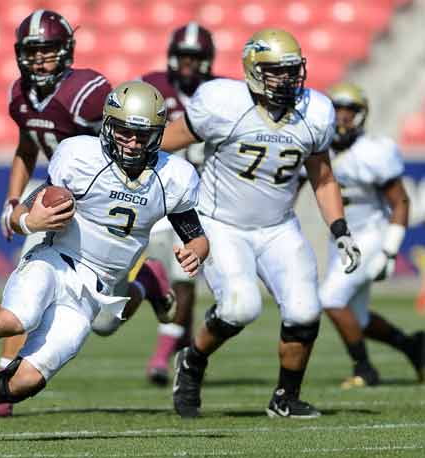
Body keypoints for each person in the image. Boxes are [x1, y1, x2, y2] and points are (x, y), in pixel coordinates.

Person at [0, 81, 210, 442]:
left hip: (95, 294)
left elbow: (195, 234)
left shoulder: (174, 176)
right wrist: (29, 221)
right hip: (57, 261)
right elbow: (32, 206)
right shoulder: (80, 157)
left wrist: (197, 251)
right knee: (16, 318)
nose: (133, 143)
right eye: (125, 133)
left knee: (27, 381)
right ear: (108, 127)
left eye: (143, 135)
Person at [0, 9, 175, 417]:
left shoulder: (85, 92)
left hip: (99, 205)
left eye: (47, 50)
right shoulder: (20, 93)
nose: (38, 60)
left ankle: (147, 282)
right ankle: (3, 392)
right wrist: (12, 201)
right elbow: (27, 145)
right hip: (58, 199)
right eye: (31, 52)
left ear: (66, 50)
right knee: (25, 290)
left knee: (104, 323)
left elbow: (128, 136)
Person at [161, 28, 361, 419]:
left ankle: (285, 397)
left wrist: (341, 231)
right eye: (275, 71)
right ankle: (193, 360)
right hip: (221, 223)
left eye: (291, 70)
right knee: (240, 307)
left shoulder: (314, 111)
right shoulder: (222, 102)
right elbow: (170, 140)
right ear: (253, 71)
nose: (286, 79)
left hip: (277, 227)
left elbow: (323, 178)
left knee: (305, 311)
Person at [317, 82, 424, 388]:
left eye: (350, 110)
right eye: (337, 109)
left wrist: (390, 251)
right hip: (341, 239)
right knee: (358, 319)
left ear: (361, 115)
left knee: (332, 299)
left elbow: (400, 201)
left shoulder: (373, 151)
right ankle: (413, 346)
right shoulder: (317, 149)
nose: (343, 117)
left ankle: (364, 369)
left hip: (370, 235)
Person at [140, 22, 216, 386]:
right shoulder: (153, 85)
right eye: (184, 56)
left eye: (194, 57)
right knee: (154, 275)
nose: (187, 64)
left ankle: (160, 357)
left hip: (196, 198)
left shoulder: (219, 94)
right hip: (156, 193)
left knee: (185, 275)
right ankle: (180, 341)